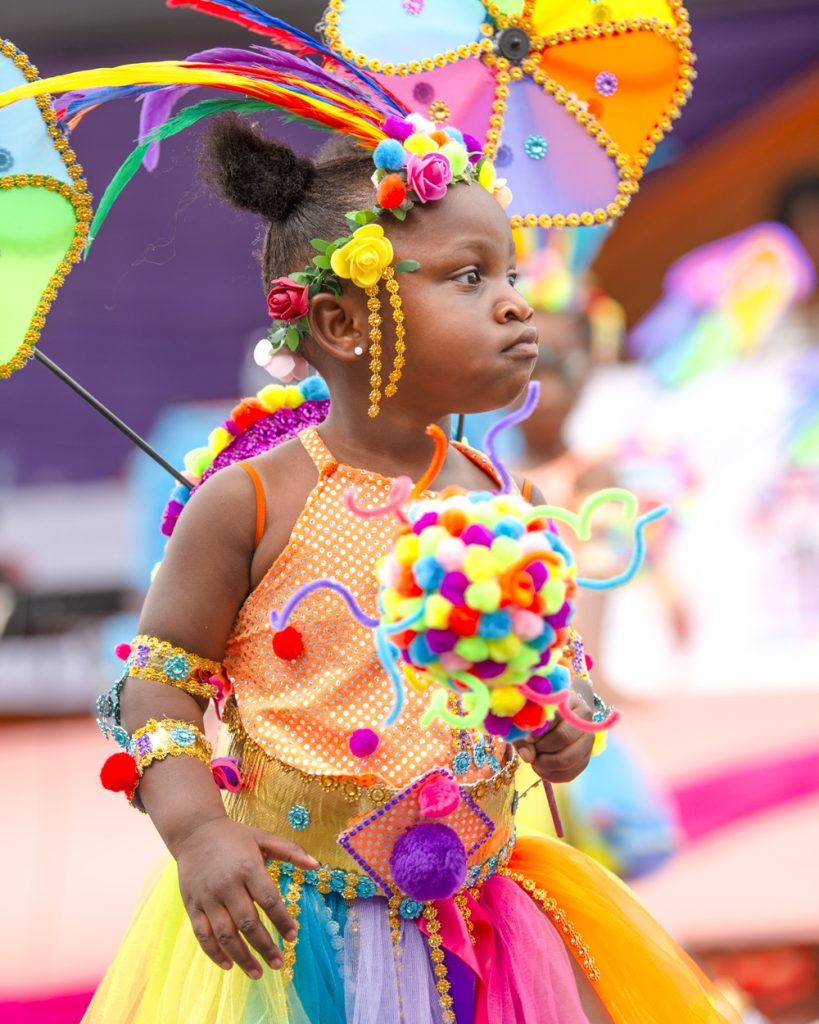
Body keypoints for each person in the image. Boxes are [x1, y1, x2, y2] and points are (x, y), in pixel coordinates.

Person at [0, 22, 740, 1024]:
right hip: (298, 936)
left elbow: (533, 669)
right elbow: (159, 685)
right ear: (344, 324)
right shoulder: (251, 499)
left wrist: (556, 723)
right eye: (470, 278)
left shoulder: (491, 489)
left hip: (481, 919)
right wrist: (198, 832)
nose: (518, 306)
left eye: (510, 274)